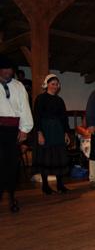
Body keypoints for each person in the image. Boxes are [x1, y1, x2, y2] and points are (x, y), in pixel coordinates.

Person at [0, 55, 33, 212]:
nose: (7, 72)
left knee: (12, 165)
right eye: (4, 69)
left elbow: (24, 108)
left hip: (13, 130)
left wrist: (24, 129)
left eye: (10, 69)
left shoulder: (18, 86)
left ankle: (12, 197)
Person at [33, 74, 70, 194]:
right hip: (46, 130)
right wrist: (39, 133)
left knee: (59, 157)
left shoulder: (60, 100)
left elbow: (64, 118)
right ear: (47, 84)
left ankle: (60, 185)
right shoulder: (41, 98)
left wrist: (66, 133)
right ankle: (45, 186)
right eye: (52, 84)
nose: (55, 86)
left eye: (57, 84)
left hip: (58, 130)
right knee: (46, 157)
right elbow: (37, 117)